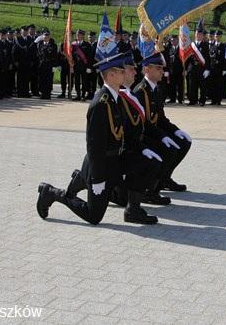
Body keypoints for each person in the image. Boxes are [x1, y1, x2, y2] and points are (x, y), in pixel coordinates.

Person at [36, 53, 155, 224]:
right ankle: (52, 193)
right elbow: (94, 146)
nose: (125, 73)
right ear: (111, 75)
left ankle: (133, 211)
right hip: (101, 164)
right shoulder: (101, 103)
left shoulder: (116, 98)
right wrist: (98, 179)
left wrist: (142, 149)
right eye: (121, 71)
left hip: (116, 160)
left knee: (146, 164)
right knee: (93, 216)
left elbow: (125, 132)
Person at [133, 51, 192, 203]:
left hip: (154, 132)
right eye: (158, 68)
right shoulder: (140, 91)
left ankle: (165, 178)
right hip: (143, 135)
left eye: (162, 68)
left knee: (183, 142)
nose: (162, 71)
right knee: (169, 149)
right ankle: (150, 190)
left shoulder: (156, 89)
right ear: (147, 69)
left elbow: (161, 119)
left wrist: (176, 130)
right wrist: (163, 136)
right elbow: (144, 123)